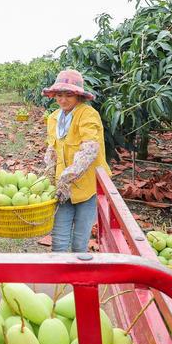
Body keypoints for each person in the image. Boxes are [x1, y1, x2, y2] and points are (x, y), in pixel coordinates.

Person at [42, 69, 111, 252]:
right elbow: (53, 149)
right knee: (59, 240)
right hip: (62, 189)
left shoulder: (87, 114)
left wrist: (69, 176)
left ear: (78, 95)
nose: (63, 100)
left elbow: (89, 148)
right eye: (59, 95)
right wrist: (49, 176)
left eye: (68, 95)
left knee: (80, 242)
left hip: (86, 187)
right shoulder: (54, 117)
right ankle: (59, 279)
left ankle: (78, 278)